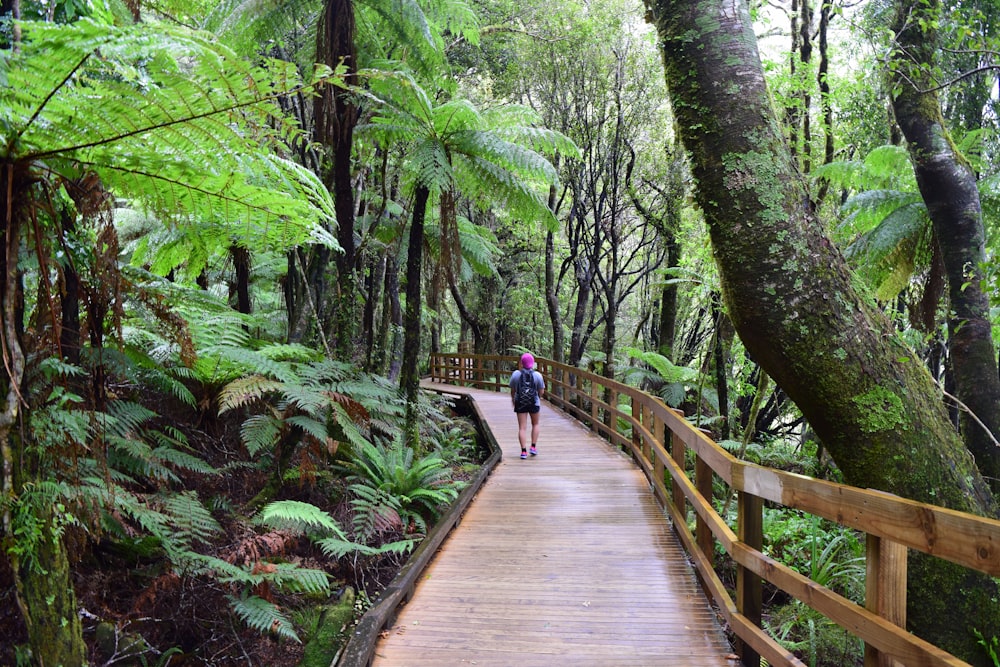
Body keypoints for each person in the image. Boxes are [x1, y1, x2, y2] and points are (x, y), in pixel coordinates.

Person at [510, 352, 545, 460]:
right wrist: (537, 397)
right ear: (532, 363)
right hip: (534, 402)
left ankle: (523, 451)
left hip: (520, 403)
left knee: (522, 427)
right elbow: (542, 391)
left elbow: (513, 390)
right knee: (535, 424)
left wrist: (513, 400)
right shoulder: (537, 375)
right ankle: (533, 447)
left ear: (521, 363)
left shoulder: (516, 374)